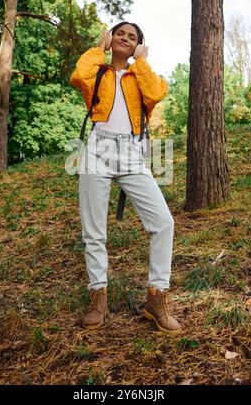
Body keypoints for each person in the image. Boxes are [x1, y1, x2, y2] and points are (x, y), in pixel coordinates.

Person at [70, 21, 181, 334]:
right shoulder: (99, 72)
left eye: (132, 37)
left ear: (138, 46)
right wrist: (99, 50)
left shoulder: (139, 76)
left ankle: (156, 298)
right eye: (120, 33)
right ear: (110, 38)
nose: (125, 38)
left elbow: (158, 92)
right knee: (94, 230)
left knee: (163, 222)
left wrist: (141, 62)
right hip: (97, 147)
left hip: (132, 152)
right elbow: (79, 75)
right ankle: (98, 298)